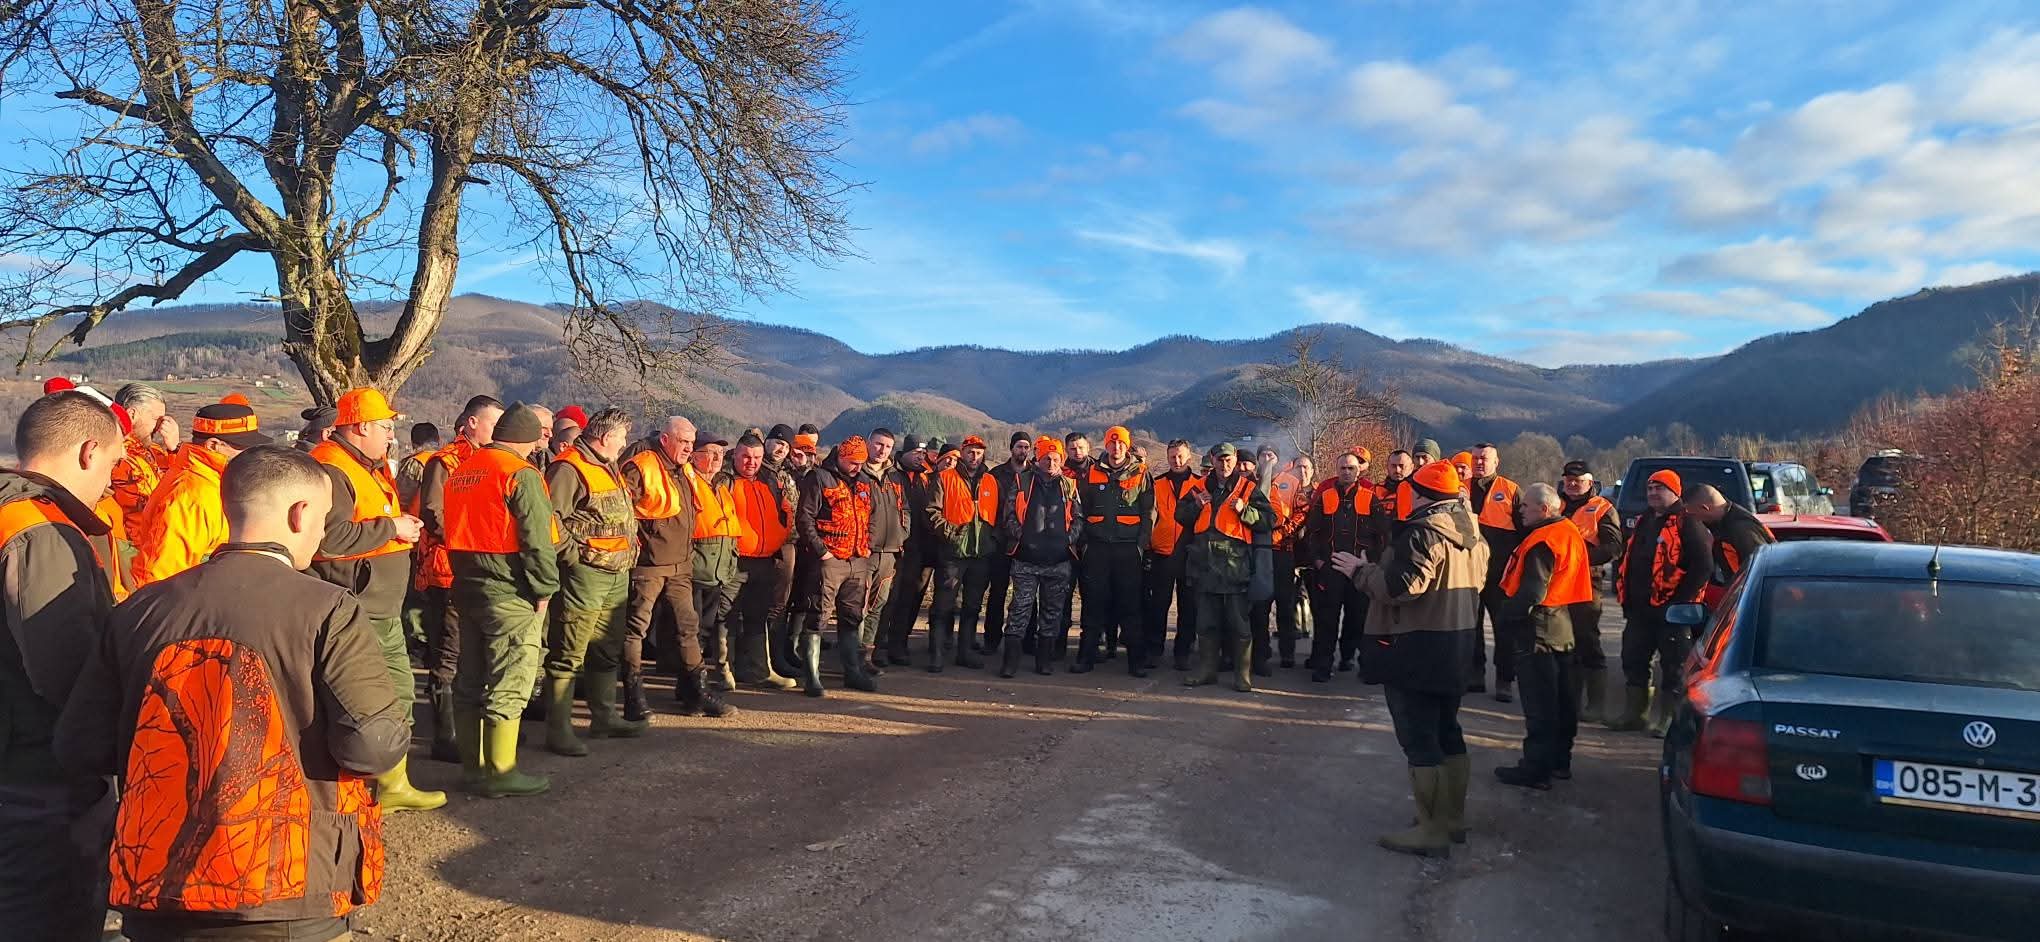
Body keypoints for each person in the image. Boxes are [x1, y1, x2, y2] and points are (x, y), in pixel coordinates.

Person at [55, 445, 407, 942]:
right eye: (324, 517)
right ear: (300, 513)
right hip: (286, 885)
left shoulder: (139, 610)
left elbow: (81, 746)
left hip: (158, 882)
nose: (323, 533)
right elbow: (371, 747)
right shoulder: (328, 609)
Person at [0, 391, 123, 940]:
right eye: (114, 465)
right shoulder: (39, 532)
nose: (111, 483)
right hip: (37, 783)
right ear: (88, 451)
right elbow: (66, 673)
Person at [1332, 459, 1487, 858]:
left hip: (1417, 645)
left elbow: (1400, 588)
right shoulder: (1472, 533)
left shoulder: (1422, 534)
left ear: (1419, 494)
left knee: (1419, 738)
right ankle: (1452, 819)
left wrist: (1361, 572)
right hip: (1457, 642)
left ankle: (1431, 830)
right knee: (1448, 731)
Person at [308, 387, 440, 811]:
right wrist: (392, 529)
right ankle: (383, 786)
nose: (390, 435)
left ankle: (386, 784)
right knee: (387, 693)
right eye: (384, 427)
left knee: (383, 693)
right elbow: (329, 540)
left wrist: (396, 525)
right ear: (361, 426)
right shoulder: (334, 469)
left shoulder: (363, 465)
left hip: (374, 605)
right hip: (360, 606)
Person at [443, 402, 558, 798]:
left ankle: (473, 770)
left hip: (467, 585)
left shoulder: (463, 470)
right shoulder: (519, 474)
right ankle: (502, 773)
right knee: (511, 679)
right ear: (527, 439)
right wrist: (544, 588)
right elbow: (537, 539)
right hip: (508, 591)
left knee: (470, 679)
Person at [543, 407, 664, 756]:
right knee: (568, 652)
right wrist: (572, 556)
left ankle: (604, 717)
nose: (625, 443)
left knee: (607, 649)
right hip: (585, 575)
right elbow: (550, 518)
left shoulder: (607, 465)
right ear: (606, 437)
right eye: (622, 437)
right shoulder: (569, 468)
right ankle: (558, 730)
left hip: (615, 573)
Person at [413, 395, 503, 760]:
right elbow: (433, 514)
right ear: (472, 423)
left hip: (482, 570)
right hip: (448, 570)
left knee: (477, 651)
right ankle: (445, 736)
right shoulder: (445, 462)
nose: (499, 431)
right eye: (493, 424)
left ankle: (478, 728)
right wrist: (476, 540)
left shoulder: (493, 461)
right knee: (448, 653)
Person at [621, 417, 730, 717]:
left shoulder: (685, 470)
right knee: (635, 629)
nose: (689, 448)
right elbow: (622, 513)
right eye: (683, 442)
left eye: (692, 443)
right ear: (666, 440)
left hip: (681, 564)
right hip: (649, 566)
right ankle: (633, 697)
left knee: (688, 627)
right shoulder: (640, 466)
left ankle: (697, 693)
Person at [1493, 484, 1592, 790]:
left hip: (1538, 630)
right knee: (1562, 701)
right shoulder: (1568, 531)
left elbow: (1532, 592)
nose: (1520, 510)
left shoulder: (1543, 540)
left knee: (1540, 703)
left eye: (1526, 506)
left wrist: (1507, 613)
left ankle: (1535, 770)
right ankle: (1560, 762)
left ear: (1544, 509)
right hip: (1562, 622)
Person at [1610, 469, 1713, 736]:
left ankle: (1669, 719)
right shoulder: (1645, 520)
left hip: (1672, 614)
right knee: (1633, 659)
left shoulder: (1688, 523)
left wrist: (1678, 603)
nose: (1653, 493)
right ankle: (1635, 715)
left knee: (1674, 667)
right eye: (1650, 488)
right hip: (1640, 610)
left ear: (1675, 492)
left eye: (1660, 488)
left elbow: (1703, 567)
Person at [131, 398, 274, 586]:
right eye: (242, 447)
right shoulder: (192, 496)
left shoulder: (212, 480)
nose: (250, 455)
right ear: (213, 446)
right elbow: (157, 577)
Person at [1178, 443, 1273, 692]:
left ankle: (1242, 675)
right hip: (1204, 567)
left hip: (1234, 568)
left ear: (1235, 459)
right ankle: (1207, 671)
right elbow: (1180, 515)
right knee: (1205, 624)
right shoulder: (1199, 486)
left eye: (1229, 459)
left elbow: (1268, 520)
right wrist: (1196, 505)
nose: (1224, 464)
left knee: (1239, 625)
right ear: (1212, 459)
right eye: (1220, 459)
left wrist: (1246, 511)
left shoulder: (1247, 488)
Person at [795, 436, 878, 695]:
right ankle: (812, 677)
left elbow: (871, 516)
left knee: (852, 617)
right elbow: (804, 518)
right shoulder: (819, 478)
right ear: (840, 457)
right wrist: (822, 552)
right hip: (829, 560)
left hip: (858, 558)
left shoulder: (865, 481)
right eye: (853, 462)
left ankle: (852, 673)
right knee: (818, 615)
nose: (857, 467)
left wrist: (867, 544)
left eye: (861, 463)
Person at [999, 436, 1083, 678]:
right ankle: (1010, 662)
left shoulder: (1069, 485)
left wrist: (1067, 540)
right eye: (1046, 458)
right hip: (1026, 560)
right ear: (1038, 458)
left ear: (1061, 460)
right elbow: (1008, 515)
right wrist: (1022, 537)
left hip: (1058, 561)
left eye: (1056, 459)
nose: (1051, 463)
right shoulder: (1022, 481)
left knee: (1052, 613)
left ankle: (1044, 661)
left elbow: (1079, 518)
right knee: (1019, 610)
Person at [1077, 426, 1152, 676]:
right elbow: (1082, 509)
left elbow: (1149, 513)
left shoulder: (1141, 472)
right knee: (1093, 604)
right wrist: (1085, 543)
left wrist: (1141, 546)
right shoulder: (1092, 472)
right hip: (1097, 548)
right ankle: (1085, 658)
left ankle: (1136, 662)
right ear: (1106, 445)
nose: (1116, 447)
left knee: (1131, 606)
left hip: (1128, 550)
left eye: (1121, 443)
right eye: (1112, 442)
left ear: (1127, 446)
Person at [727, 433, 798, 690]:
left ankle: (760, 670)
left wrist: (779, 538)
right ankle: (726, 671)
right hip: (735, 560)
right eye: (746, 456)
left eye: (756, 457)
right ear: (735, 455)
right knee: (728, 616)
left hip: (765, 559)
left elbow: (785, 514)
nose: (751, 462)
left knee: (757, 615)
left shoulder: (769, 481)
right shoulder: (725, 481)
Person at [925, 435, 1000, 671]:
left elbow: (999, 513)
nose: (974, 456)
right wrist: (951, 535)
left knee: (972, 606)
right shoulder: (945, 478)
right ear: (962, 453)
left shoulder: (991, 480)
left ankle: (964, 652)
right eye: (970, 452)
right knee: (943, 605)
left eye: (978, 452)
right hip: (953, 553)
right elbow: (932, 511)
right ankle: (936, 654)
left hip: (981, 554)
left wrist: (992, 539)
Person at [1301, 449, 1377, 683]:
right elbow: (1311, 533)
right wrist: (1318, 561)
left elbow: (1382, 534)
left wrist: (1370, 561)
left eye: (1351, 468)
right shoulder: (1325, 496)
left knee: (1358, 619)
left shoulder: (1370, 497)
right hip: (1330, 570)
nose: (1346, 472)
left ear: (1358, 471)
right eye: (1342, 468)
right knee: (1326, 620)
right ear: (1336, 470)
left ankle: (1349, 657)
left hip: (1359, 571)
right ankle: (1323, 666)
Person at [1559, 461, 1621, 722]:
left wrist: (1580, 559)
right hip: (1555, 581)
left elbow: (1613, 547)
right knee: (1561, 640)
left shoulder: (1603, 508)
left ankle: (1595, 704)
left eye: (1578, 480)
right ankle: (1568, 700)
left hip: (1587, 580)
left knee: (1587, 639)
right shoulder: (1555, 504)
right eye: (1568, 479)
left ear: (1590, 482)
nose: (1573, 484)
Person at [685, 433, 742, 691]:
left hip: (718, 570)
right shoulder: (689, 483)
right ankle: (692, 686)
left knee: (706, 628)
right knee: (692, 631)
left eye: (720, 453)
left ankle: (697, 683)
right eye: (711, 453)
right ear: (694, 456)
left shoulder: (720, 485)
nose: (718, 458)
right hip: (696, 570)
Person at [1467, 443, 1523, 701]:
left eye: (1484, 458)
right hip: (1468, 574)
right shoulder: (1459, 488)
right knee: (1471, 627)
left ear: (1496, 462)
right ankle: (1474, 674)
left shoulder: (1511, 490)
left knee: (1504, 629)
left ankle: (1504, 679)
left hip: (1500, 575)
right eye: (1475, 458)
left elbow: (1525, 532)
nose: (1479, 462)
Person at [881, 436, 939, 667]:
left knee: (910, 598)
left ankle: (899, 643)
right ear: (903, 453)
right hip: (893, 546)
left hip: (919, 548)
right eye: (915, 452)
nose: (920, 457)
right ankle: (878, 645)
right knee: (887, 599)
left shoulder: (925, 478)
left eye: (923, 454)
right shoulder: (892, 476)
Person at [1145, 440, 1201, 671]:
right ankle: (1154, 650)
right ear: (1167, 458)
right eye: (1172, 457)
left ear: (1189, 457)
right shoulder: (1157, 483)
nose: (1177, 461)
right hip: (1162, 552)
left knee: (1189, 607)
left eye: (1180, 456)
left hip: (1190, 553)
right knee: (1158, 605)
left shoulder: (1200, 484)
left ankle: (1183, 652)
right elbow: (1149, 516)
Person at [1253, 445, 1309, 673]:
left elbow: (1302, 512)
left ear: (1277, 458)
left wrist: (1284, 533)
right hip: (1258, 551)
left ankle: (1287, 652)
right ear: (1258, 459)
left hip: (1283, 550)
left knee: (1285, 604)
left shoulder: (1291, 482)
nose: (1267, 458)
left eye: (1271, 455)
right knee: (1260, 606)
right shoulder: (1252, 482)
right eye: (1263, 455)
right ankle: (1261, 652)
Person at [859, 429, 909, 678]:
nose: (882, 450)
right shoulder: (858, 473)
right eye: (878, 444)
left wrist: (903, 533)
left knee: (878, 605)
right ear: (869, 443)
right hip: (864, 551)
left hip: (890, 552)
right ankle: (852, 656)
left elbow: (905, 509)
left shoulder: (896, 477)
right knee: (859, 606)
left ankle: (867, 655)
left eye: (888, 446)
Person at [1683, 483, 1776, 607]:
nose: (1695, 520)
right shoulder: (1722, 524)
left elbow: (1760, 572)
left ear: (1705, 508)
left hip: (1754, 600)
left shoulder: (1741, 530)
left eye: (1694, 515)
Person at [109, 382, 178, 544]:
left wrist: (174, 450)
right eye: (156, 419)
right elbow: (156, 504)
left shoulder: (154, 451)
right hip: (134, 546)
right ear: (131, 414)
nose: (160, 427)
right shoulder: (116, 456)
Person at [983, 431, 1033, 655]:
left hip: (1027, 543)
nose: (1023, 451)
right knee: (997, 592)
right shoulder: (996, 475)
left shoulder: (1035, 474)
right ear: (1011, 448)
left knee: (1028, 594)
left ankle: (1027, 640)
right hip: (1001, 542)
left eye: (1026, 447)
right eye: (1019, 446)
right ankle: (991, 639)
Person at [396, 420, 442, 510]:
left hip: (418, 516)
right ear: (438, 440)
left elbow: (401, 497)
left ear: (413, 444)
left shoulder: (415, 463)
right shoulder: (447, 460)